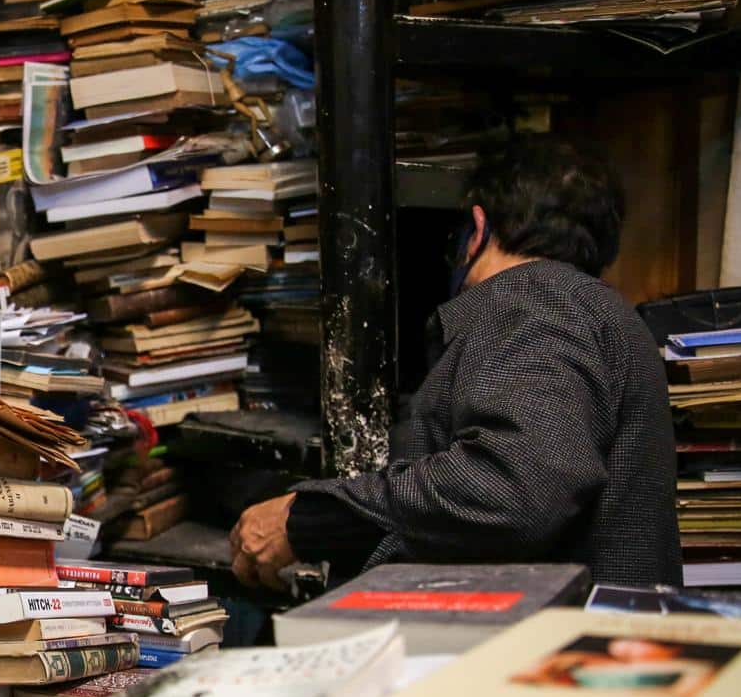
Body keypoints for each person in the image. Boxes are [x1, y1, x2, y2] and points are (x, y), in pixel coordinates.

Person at [229, 137, 680, 589]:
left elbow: (513, 489)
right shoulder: (597, 313)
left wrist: (306, 519)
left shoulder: (535, 304)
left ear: (477, 229)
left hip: (541, 649)